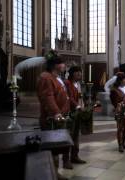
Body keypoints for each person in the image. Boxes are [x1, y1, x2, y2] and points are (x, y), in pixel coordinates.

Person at [37, 51, 71, 180]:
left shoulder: (56, 77)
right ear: (54, 65)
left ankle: (55, 172)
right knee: (52, 147)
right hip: (52, 119)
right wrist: (56, 112)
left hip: (60, 117)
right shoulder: (46, 77)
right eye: (61, 62)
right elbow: (48, 98)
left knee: (56, 146)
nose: (64, 65)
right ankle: (52, 173)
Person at [64, 66, 86, 164]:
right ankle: (66, 160)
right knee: (68, 136)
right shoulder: (67, 83)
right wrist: (77, 106)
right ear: (72, 73)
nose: (80, 74)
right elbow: (69, 97)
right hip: (70, 113)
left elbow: (80, 97)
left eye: (80, 73)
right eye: (77, 73)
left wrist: (83, 105)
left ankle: (75, 156)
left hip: (77, 112)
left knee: (76, 135)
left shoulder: (78, 84)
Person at [110, 72, 125, 153]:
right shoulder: (114, 90)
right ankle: (120, 145)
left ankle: (123, 143)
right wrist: (118, 105)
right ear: (120, 80)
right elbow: (113, 101)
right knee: (120, 128)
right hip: (120, 112)